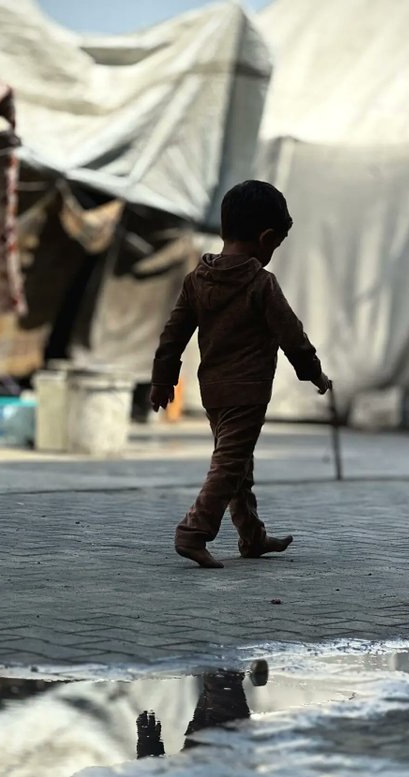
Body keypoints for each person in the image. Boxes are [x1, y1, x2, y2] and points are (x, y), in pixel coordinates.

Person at [150, 180, 331, 569]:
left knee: (238, 464)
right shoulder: (260, 283)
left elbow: (173, 335)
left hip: (212, 390)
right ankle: (194, 531)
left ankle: (251, 536)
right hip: (248, 391)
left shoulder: (197, 280)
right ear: (266, 238)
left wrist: (162, 379)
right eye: (276, 245)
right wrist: (313, 373)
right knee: (230, 464)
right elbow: (292, 335)